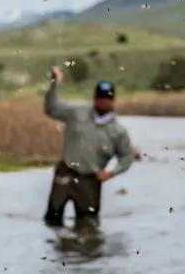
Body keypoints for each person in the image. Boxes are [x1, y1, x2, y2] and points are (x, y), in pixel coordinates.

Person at [42, 66, 133, 226]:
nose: (103, 101)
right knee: (52, 220)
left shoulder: (118, 131)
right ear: (94, 98)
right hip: (66, 172)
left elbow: (126, 157)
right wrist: (54, 84)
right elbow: (51, 109)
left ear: (112, 101)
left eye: (106, 98)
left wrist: (111, 173)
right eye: (99, 97)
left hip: (90, 180)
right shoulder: (76, 112)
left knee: (88, 224)